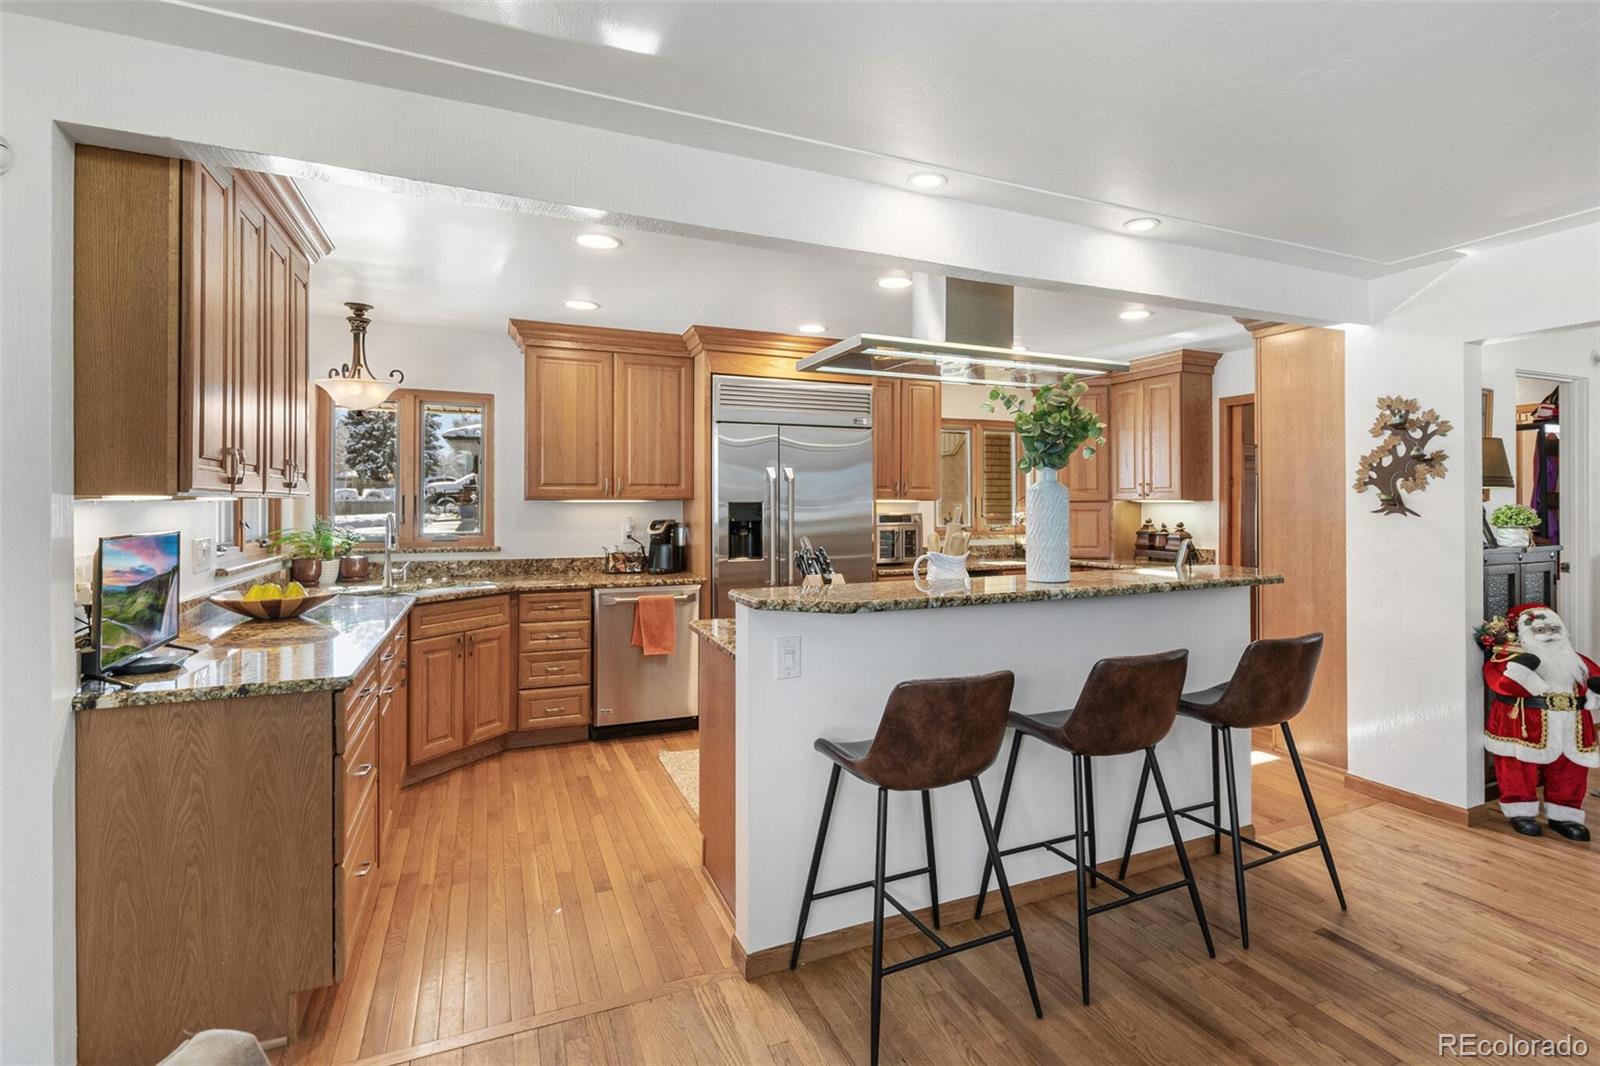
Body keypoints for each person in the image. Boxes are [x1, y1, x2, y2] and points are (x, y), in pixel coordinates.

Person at [1481, 603, 1600, 840]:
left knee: (1571, 770)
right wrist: (1522, 669)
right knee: (1518, 769)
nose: (1549, 635)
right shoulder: (1507, 658)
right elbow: (1501, 684)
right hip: (1524, 726)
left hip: (1572, 725)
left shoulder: (1575, 660)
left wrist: (1595, 690)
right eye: (1540, 630)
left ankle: (1565, 815)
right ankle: (1521, 812)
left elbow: (1594, 676)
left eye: (1554, 629)